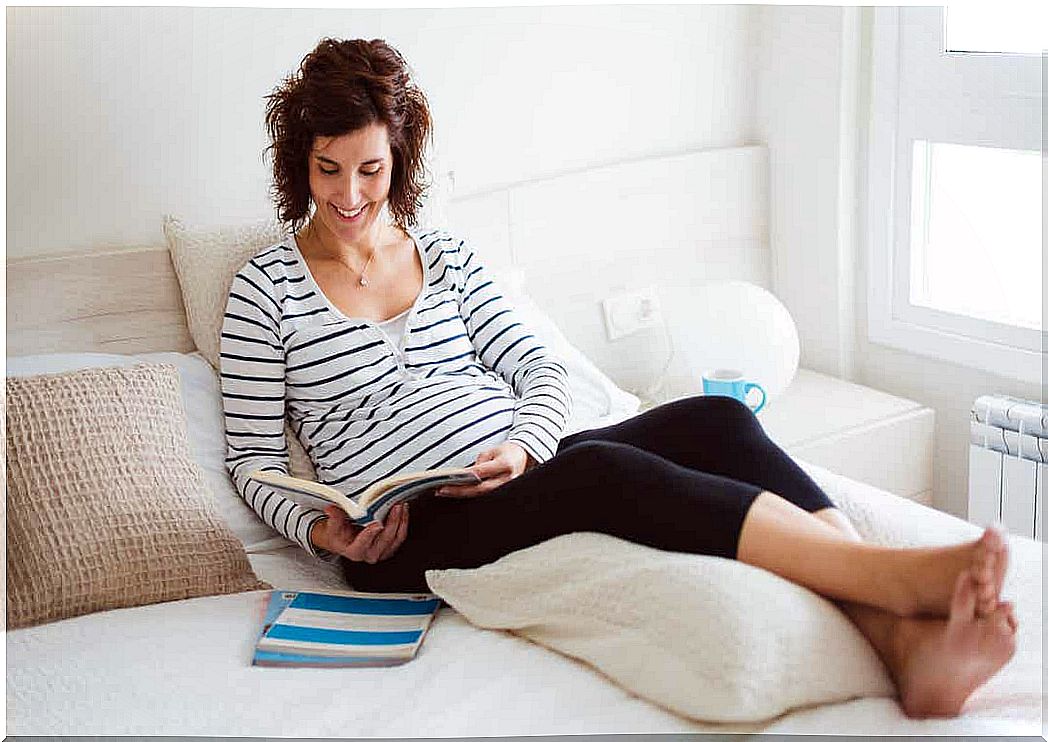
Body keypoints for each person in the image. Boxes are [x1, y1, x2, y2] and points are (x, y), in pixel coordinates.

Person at [221, 37, 1016, 718]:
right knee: (604, 468)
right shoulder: (266, 287)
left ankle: (897, 637)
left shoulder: (447, 256)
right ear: (302, 161)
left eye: (370, 170)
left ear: (400, 159)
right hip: (400, 538)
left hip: (509, 476)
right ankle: (893, 581)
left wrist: (527, 447)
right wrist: (326, 531)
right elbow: (252, 462)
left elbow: (537, 368)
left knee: (717, 421)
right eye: (329, 170)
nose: (350, 196)